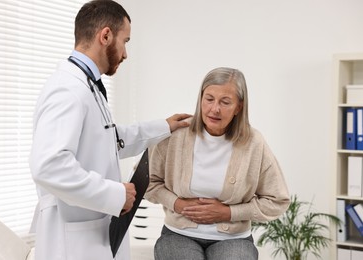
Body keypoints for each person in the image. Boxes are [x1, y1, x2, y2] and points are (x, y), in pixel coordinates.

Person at [29, 1, 191, 260]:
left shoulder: (87, 85)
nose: (126, 53)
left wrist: (164, 126)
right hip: (72, 242)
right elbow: (48, 166)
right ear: (105, 36)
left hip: (91, 233)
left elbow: (108, 138)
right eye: (125, 41)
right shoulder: (67, 89)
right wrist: (115, 194)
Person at [144, 67, 290, 260]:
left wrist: (229, 213)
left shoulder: (254, 142)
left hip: (233, 239)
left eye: (225, 102)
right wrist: (176, 204)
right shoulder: (176, 134)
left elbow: (278, 200)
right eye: (209, 99)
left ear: (239, 107)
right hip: (178, 234)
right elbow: (147, 182)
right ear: (201, 99)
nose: (215, 109)